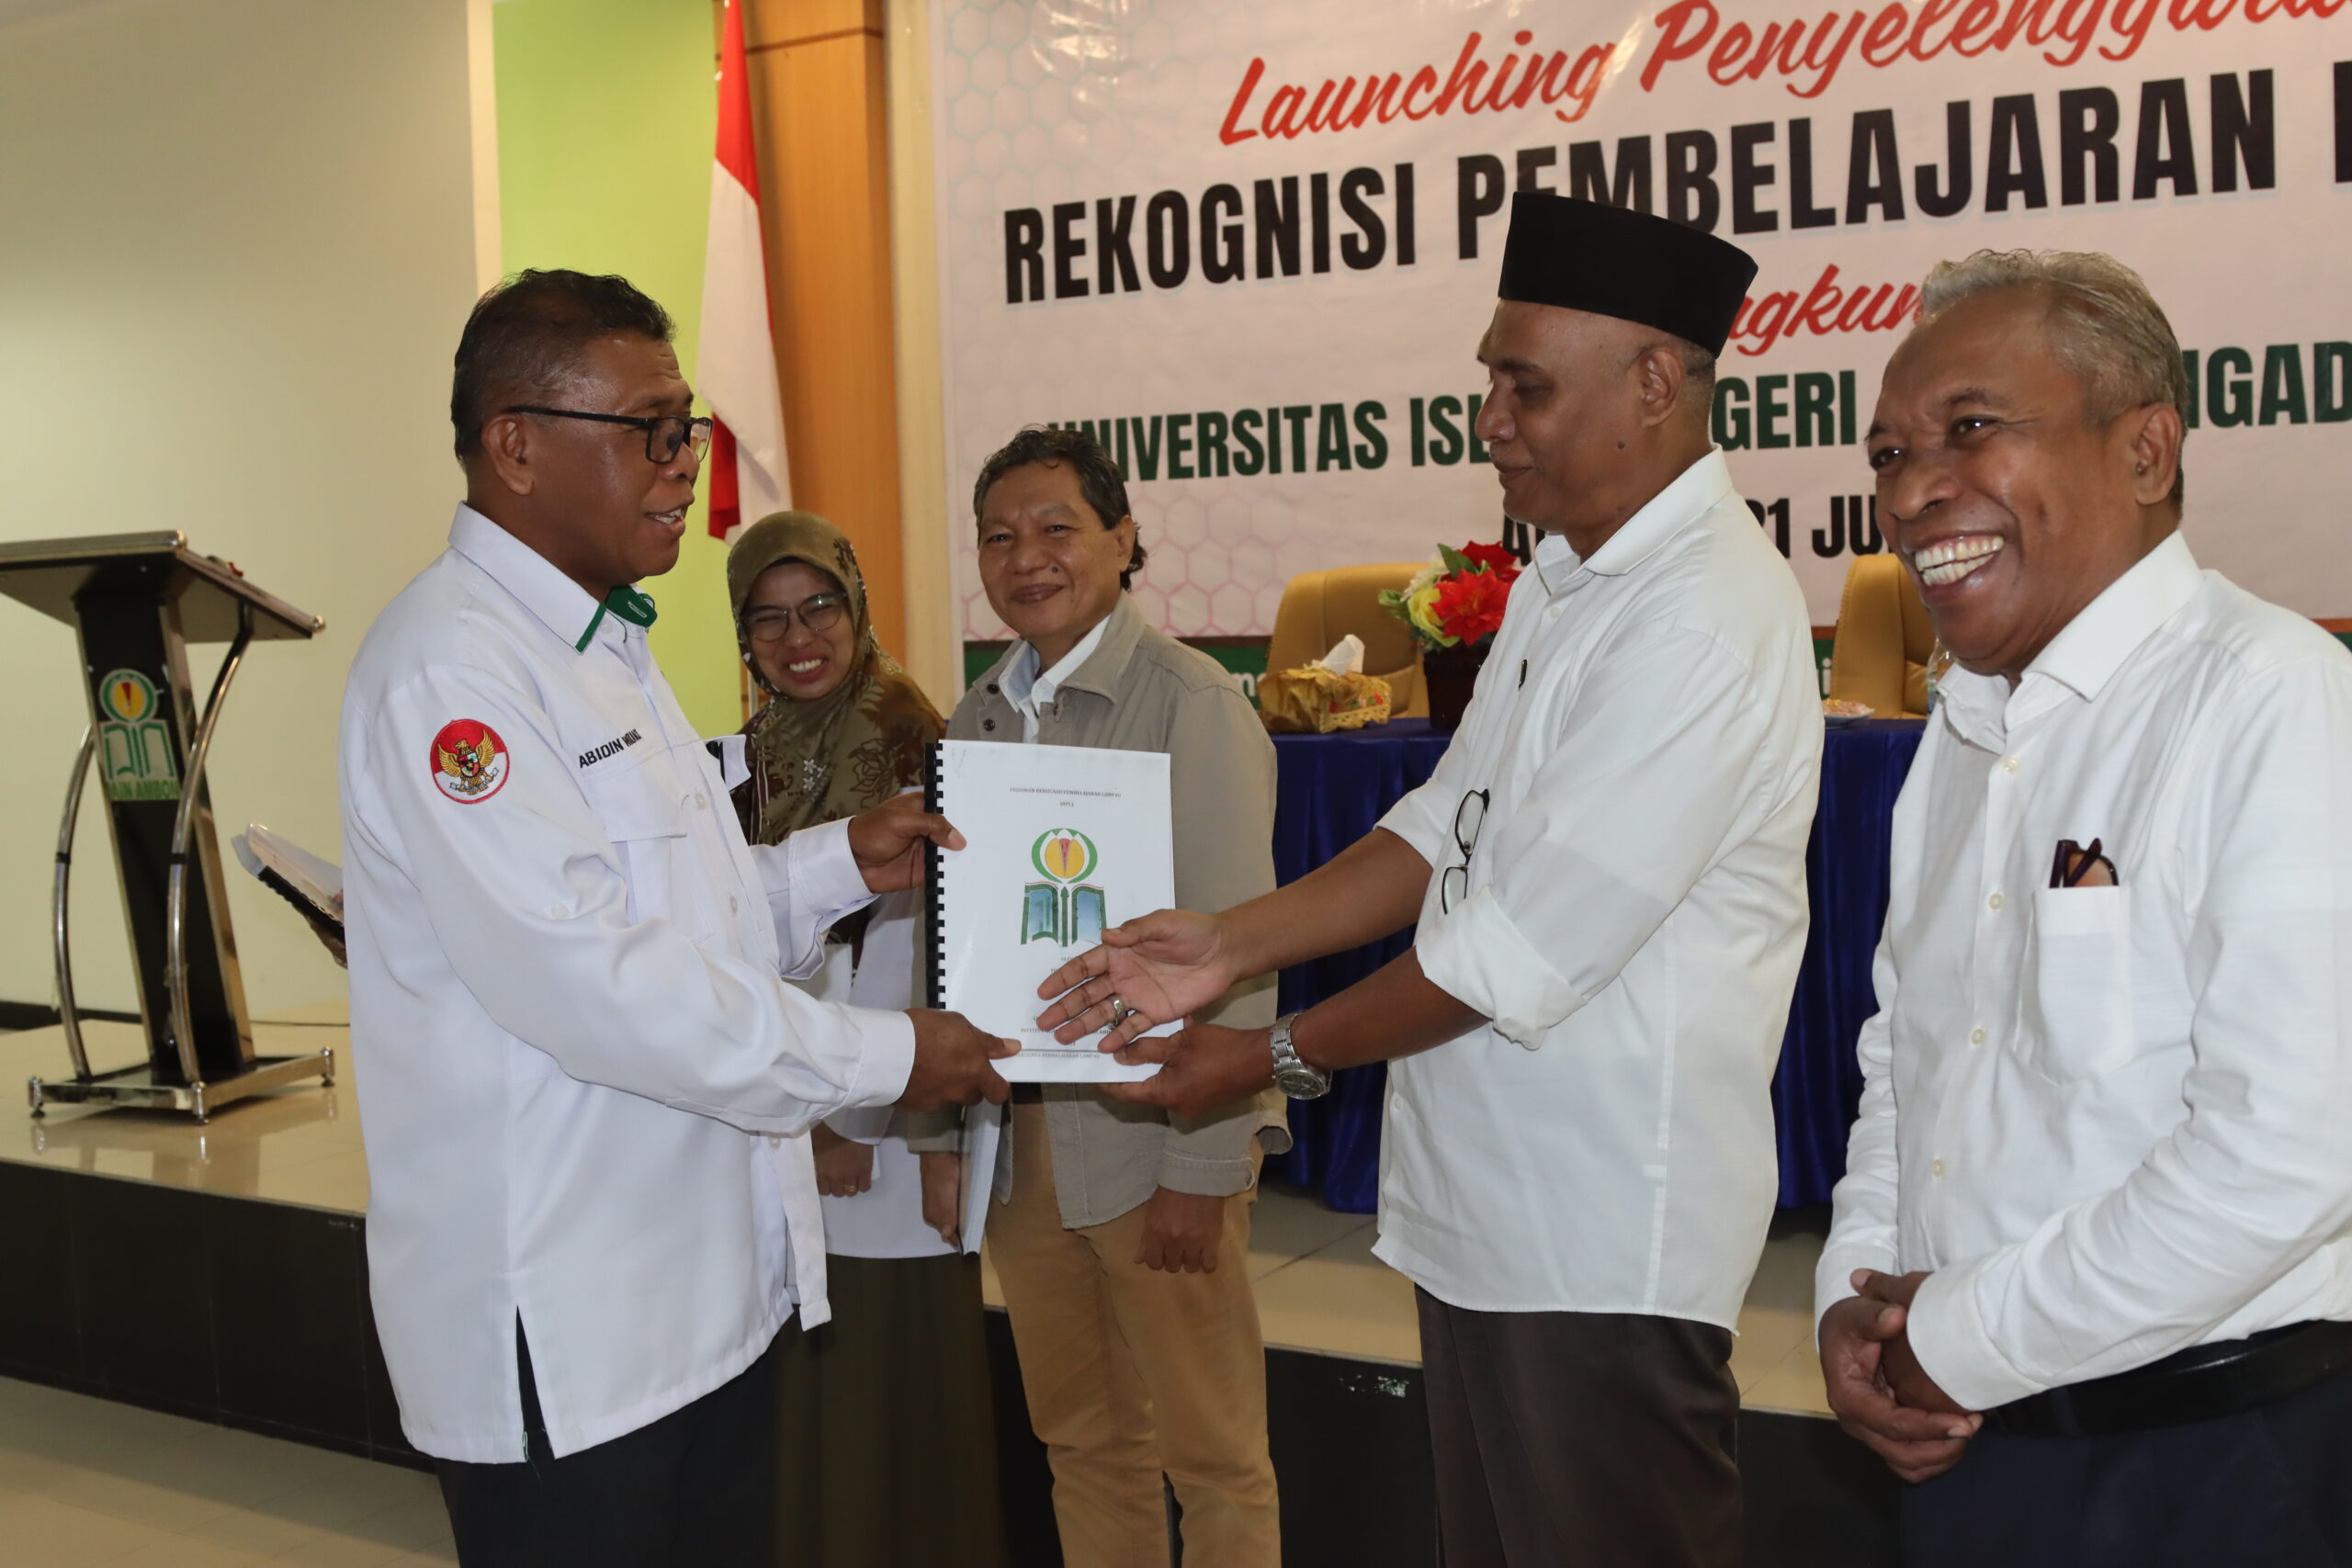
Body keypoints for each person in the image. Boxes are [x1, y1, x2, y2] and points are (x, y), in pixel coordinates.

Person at [1036, 194, 1822, 1568]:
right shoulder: (1566, 576)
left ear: (1655, 383)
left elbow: (1510, 950)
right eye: (1489, 381)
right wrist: (1227, 943)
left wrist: (1262, 1055)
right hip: (1489, 1215)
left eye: (1527, 386)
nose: (1490, 419)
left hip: (1598, 1239)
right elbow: (1441, 818)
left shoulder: (1699, 615)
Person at [338, 268, 1013, 1568]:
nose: (684, 464)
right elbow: (601, 986)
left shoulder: (603, 648)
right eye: (648, 430)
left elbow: (692, 911)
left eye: (685, 426)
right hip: (574, 1330)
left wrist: (839, 863)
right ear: (516, 445)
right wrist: (888, 1054)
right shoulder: (454, 672)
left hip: (700, 1304)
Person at [1814, 250, 2352, 1566]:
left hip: (2206, 1464)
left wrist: (1957, 1335)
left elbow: (2288, 1154)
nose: (1912, 489)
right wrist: (1854, 1298)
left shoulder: (2273, 700)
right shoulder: (1960, 731)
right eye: (1889, 453)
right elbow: (1907, 1061)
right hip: (1965, 1443)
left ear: (2147, 451)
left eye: (1970, 428)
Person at [953, 423, 1285, 1568]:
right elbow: (961, 946)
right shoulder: (975, 716)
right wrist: (953, 1139)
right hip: (1024, 1149)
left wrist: (1205, 1168)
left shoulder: (1191, 702)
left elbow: (1242, 946)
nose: (1026, 558)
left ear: (1122, 538)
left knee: (1214, 1459)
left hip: (1154, 1141)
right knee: (1084, 1444)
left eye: (1057, 528)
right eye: (998, 537)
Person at [724, 509, 1007, 1568]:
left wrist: (856, 1120)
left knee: (889, 1378)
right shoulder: (753, 753)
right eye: (767, 618)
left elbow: (924, 949)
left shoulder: (909, 739)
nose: (798, 638)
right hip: (783, 1098)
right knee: (817, 1387)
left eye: (819, 607)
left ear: (856, 605)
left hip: (876, 1115)